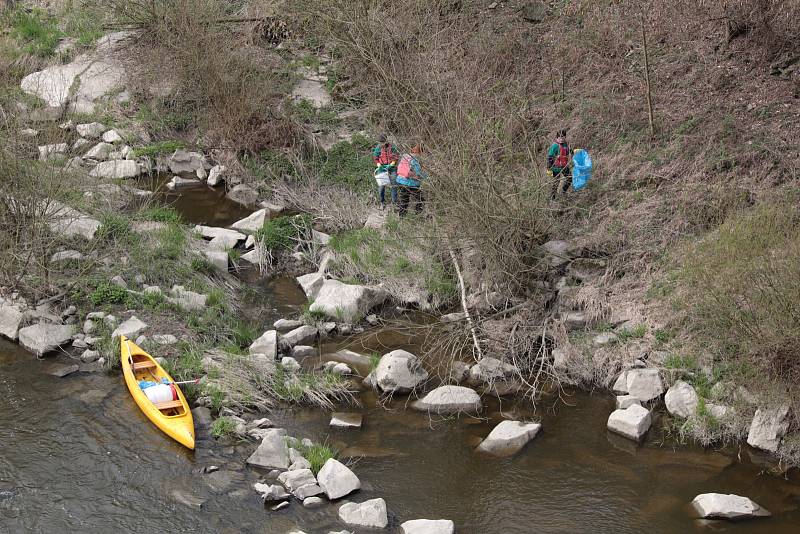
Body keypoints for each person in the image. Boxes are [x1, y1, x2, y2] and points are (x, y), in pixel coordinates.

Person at [396, 144, 427, 217]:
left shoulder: (405, 156)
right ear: (420, 152)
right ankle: (417, 215)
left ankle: (401, 218)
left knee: (404, 201)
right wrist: (424, 176)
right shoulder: (415, 159)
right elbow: (417, 173)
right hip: (410, 183)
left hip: (401, 181)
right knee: (420, 200)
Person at [372, 134, 399, 209]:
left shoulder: (392, 147)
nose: (381, 144)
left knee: (394, 186)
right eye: (380, 143)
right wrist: (378, 164)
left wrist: (393, 163)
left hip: (392, 168)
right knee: (381, 187)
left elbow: (396, 156)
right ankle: (382, 202)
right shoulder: (378, 148)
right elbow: (375, 157)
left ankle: (394, 203)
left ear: (386, 141)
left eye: (382, 142)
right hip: (382, 169)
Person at [547, 129, 572, 198]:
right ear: (557, 138)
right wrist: (549, 168)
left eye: (563, 137)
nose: (561, 139)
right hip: (555, 167)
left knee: (570, 178)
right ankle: (552, 197)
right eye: (560, 138)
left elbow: (570, 151)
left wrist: (574, 153)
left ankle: (563, 192)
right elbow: (550, 157)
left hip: (564, 166)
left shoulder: (566, 144)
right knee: (556, 182)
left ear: (565, 137)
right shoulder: (554, 146)